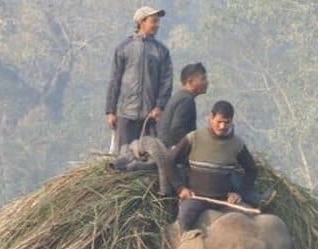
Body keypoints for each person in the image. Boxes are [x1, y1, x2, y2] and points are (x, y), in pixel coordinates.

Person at [171, 100, 258, 232]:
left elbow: (252, 169)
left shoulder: (237, 144)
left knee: (252, 220)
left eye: (227, 122)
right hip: (196, 197)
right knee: (184, 218)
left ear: (232, 121)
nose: (222, 126)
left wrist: (238, 193)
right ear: (210, 118)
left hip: (224, 200)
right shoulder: (194, 138)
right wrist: (180, 188)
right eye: (219, 121)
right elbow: (169, 161)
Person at [105, 6, 173, 149]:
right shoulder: (124, 48)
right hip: (126, 114)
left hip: (150, 116)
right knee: (123, 156)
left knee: (147, 157)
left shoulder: (161, 51)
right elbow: (114, 81)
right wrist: (111, 111)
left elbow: (166, 82)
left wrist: (159, 106)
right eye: (153, 21)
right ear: (142, 22)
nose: (157, 25)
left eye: (158, 22)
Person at [158, 62, 208, 147]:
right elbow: (177, 131)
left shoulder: (180, 96)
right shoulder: (186, 100)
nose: (206, 82)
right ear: (190, 82)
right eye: (203, 79)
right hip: (171, 152)